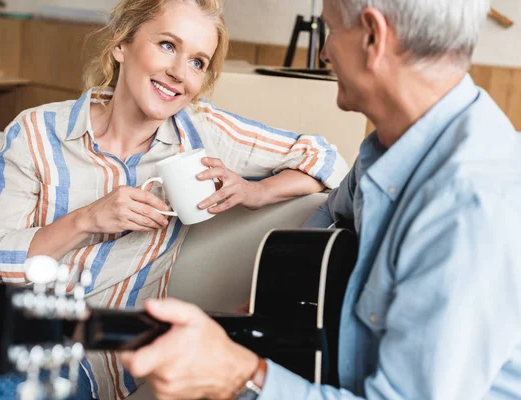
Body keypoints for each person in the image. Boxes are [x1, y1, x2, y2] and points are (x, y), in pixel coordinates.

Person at [0, 0, 348, 399]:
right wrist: (88, 219)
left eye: (197, 62)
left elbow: (325, 157)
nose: (180, 73)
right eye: (167, 45)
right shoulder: (37, 131)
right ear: (122, 44)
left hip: (84, 351)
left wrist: (256, 191)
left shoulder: (202, 132)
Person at [119, 0, 521, 399]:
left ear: (371, 36)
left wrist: (240, 373)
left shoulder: (470, 206)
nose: (325, 51)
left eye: (331, 29)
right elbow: (332, 210)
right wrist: (270, 301)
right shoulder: (388, 147)